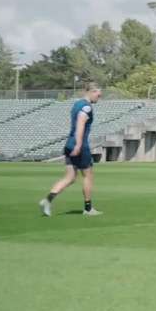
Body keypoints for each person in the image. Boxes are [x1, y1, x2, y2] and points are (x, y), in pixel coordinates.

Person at [40, 83, 103, 217]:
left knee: (70, 177)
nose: (99, 98)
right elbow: (80, 125)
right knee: (88, 175)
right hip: (79, 145)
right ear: (91, 92)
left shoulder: (77, 104)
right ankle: (88, 208)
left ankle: (48, 200)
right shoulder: (86, 107)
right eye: (98, 95)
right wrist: (79, 145)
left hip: (69, 144)